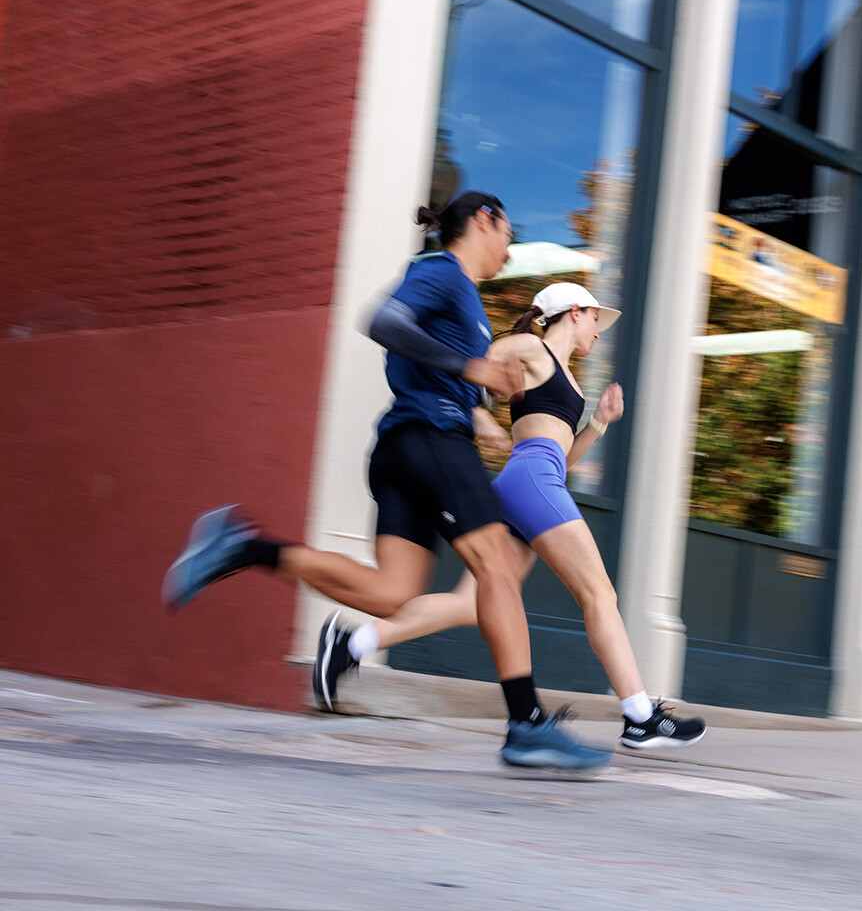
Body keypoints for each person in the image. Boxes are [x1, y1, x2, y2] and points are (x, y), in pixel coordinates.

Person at [163, 192, 611, 772]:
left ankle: (242, 546)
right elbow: (383, 321)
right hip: (429, 438)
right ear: (484, 220)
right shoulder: (441, 271)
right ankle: (527, 723)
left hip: (405, 446)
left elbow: (428, 357)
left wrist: (477, 399)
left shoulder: (464, 299)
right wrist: (470, 370)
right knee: (498, 566)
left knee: (392, 593)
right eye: (508, 234)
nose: (509, 248)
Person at [314, 282, 707, 751]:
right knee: (599, 593)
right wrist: (476, 413)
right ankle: (639, 716)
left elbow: (565, 458)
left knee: (470, 603)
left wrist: (598, 423)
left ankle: (351, 646)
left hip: (536, 480)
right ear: (574, 313)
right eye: (595, 321)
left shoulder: (569, 376)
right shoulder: (531, 347)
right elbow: (477, 362)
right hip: (532, 480)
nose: (599, 334)